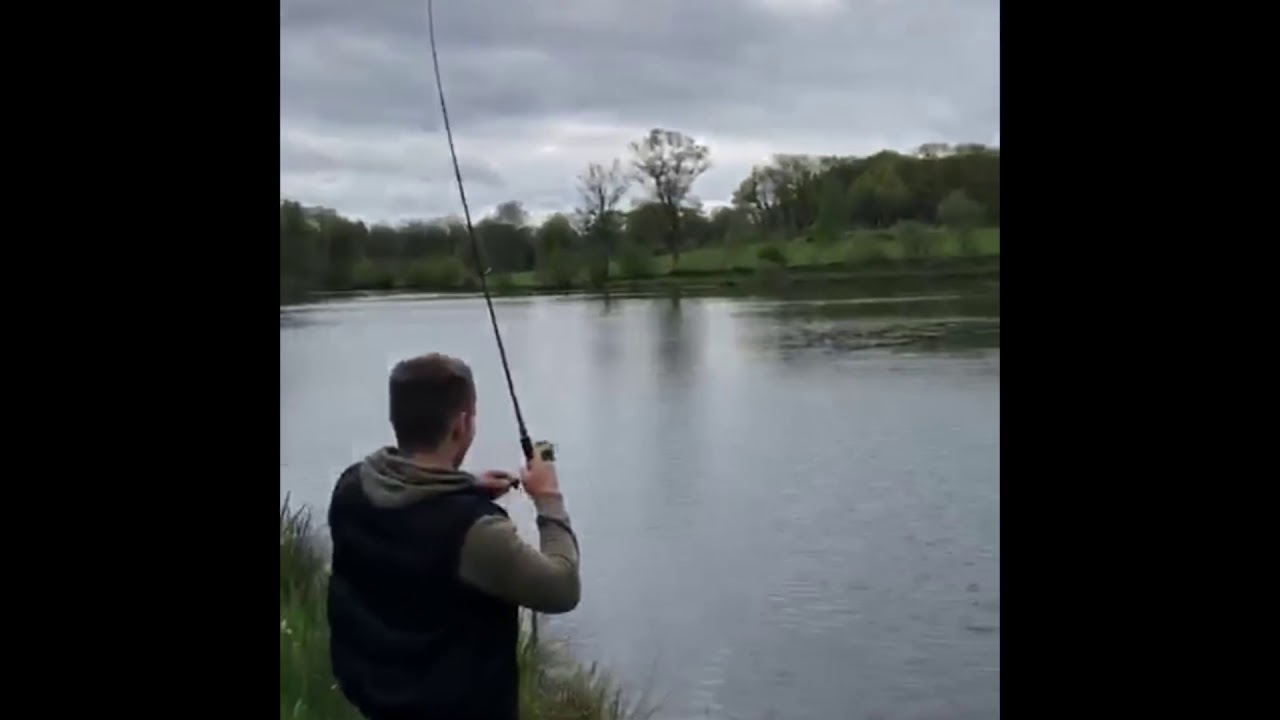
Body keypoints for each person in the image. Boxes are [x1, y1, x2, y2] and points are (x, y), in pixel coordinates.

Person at [326, 353, 581, 720]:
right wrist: (548, 499)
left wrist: (465, 487)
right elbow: (562, 588)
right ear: (461, 425)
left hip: (375, 706)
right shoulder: (477, 533)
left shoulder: (351, 488)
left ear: (396, 418)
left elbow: (413, 510)